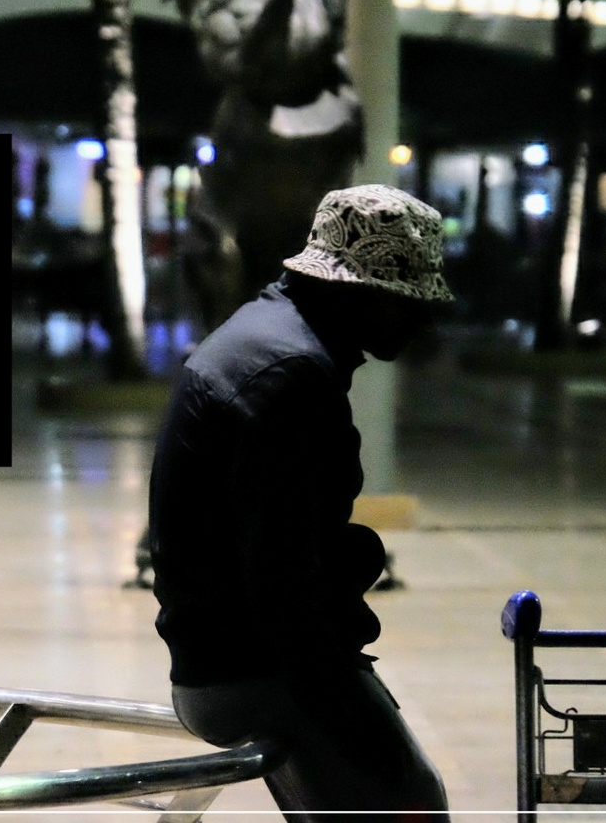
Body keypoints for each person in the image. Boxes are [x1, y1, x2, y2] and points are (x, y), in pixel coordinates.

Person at [147, 184, 452, 818]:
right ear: (355, 290)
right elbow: (281, 585)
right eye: (408, 300)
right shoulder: (289, 378)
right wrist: (356, 723)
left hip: (221, 655)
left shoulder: (268, 333)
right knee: (413, 808)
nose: (425, 321)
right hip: (253, 669)